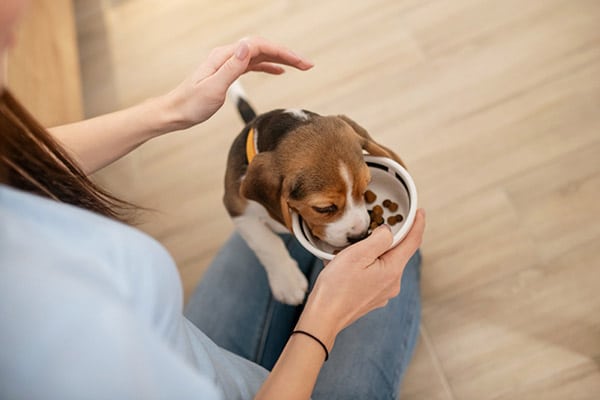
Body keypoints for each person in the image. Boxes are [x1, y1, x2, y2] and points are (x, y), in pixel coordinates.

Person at [0, 1, 426, 399]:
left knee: (327, 248)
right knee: (398, 260)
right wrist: (324, 320)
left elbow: (16, 161)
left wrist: (171, 109)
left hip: (188, 346)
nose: (25, 6)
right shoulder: (42, 344)